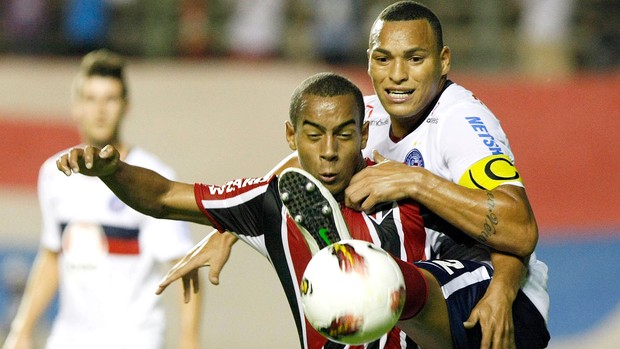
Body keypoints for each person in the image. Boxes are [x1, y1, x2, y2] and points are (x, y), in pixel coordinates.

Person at [55, 72, 550, 348]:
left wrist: (504, 289)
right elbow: (163, 196)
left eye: (344, 135)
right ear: (291, 137)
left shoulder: (404, 188)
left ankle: (372, 277)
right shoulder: (273, 198)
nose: (330, 151)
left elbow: (508, 236)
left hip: (432, 334)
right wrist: (110, 171)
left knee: (403, 285)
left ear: (365, 132)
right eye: (314, 136)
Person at [159, 2, 550, 348]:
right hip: (425, 302)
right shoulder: (369, 114)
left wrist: (415, 181)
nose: (397, 76)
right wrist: (226, 230)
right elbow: (298, 169)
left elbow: (519, 229)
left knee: (382, 285)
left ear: (443, 60)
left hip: (495, 299)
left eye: (415, 59)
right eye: (384, 59)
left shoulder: (461, 122)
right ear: (368, 62)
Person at [2, 50, 202, 349]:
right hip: (69, 338)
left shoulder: (152, 177)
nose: (100, 110)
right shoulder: (55, 174)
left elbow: (186, 265)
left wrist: (190, 340)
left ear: (126, 106)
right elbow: (52, 255)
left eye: (110, 99)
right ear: (76, 108)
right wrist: (23, 327)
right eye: (91, 99)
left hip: (134, 338)